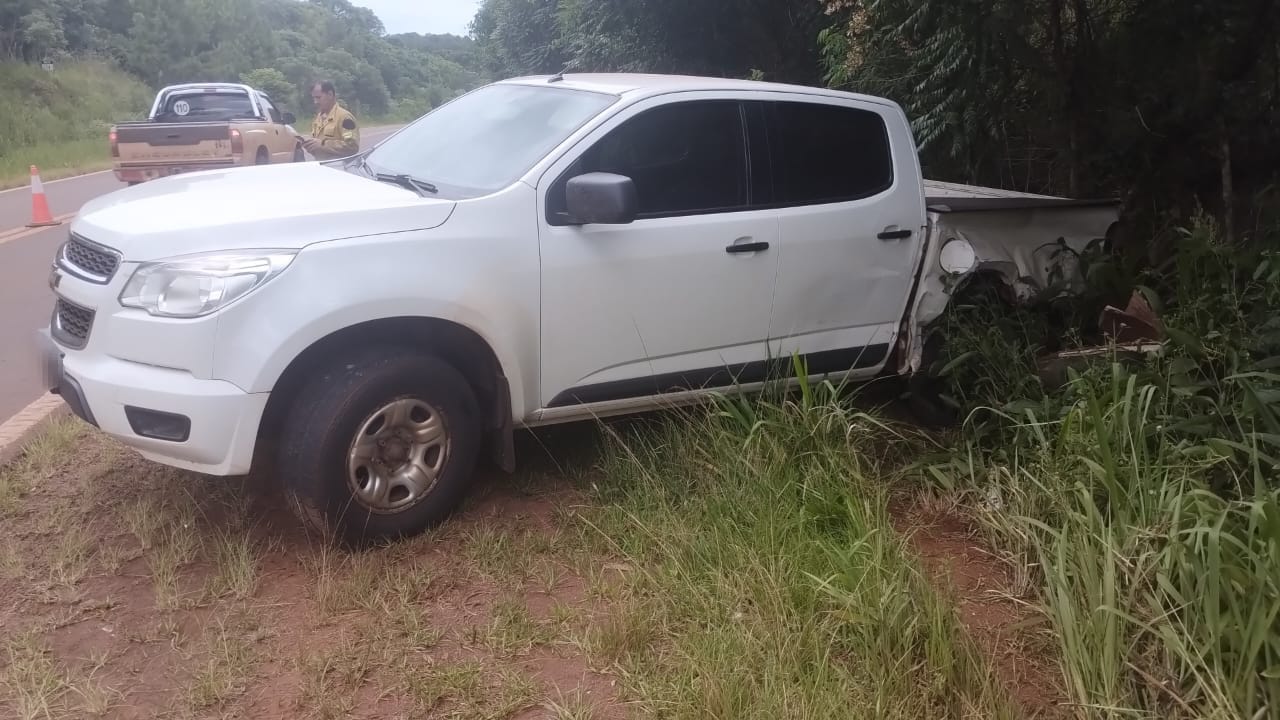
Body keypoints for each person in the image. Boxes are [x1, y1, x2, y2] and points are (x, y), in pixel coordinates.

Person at [302, 80, 360, 160]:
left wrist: (322, 144)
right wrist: (310, 146)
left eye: (318, 97)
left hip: (339, 167)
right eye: (314, 98)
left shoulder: (345, 118)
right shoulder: (318, 118)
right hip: (322, 167)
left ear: (330, 94)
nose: (315, 102)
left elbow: (352, 147)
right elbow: (317, 147)